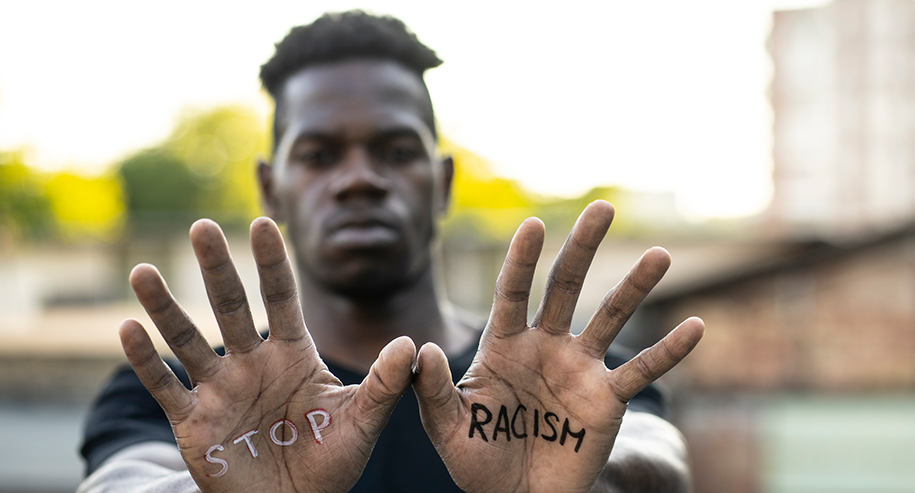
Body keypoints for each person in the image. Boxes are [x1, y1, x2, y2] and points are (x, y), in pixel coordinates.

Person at [77, 11, 704, 493]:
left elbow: (656, 457)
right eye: (319, 154)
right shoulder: (183, 399)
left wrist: (588, 476)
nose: (359, 179)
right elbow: (123, 478)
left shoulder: (564, 385)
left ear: (444, 183)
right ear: (273, 188)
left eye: (397, 151)